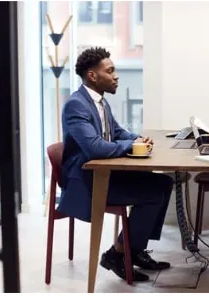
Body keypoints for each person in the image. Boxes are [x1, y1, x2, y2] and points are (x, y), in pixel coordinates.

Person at [59, 47, 174, 282]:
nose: (116, 76)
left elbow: (117, 131)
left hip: (103, 175)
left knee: (164, 182)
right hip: (86, 181)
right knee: (152, 193)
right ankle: (118, 254)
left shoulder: (100, 102)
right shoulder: (76, 105)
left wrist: (137, 139)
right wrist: (130, 147)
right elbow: (94, 147)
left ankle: (134, 250)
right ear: (92, 75)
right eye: (110, 71)